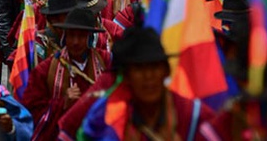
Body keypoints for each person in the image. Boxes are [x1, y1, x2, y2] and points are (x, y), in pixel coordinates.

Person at [77, 26, 214, 139]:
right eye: (139, 68)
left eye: (154, 66)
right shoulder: (105, 118)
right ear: (126, 76)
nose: (148, 76)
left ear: (166, 71)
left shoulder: (193, 116)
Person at [22, 8, 110, 140]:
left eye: (81, 36)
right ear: (64, 37)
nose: (75, 42)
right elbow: (32, 113)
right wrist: (62, 103)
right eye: (71, 35)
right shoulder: (44, 71)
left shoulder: (106, 62)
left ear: (89, 38)